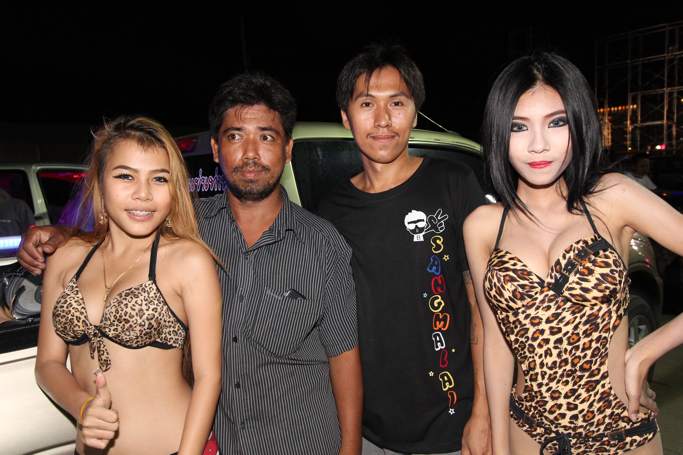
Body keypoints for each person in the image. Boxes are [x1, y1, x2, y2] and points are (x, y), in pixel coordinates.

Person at [22, 73, 362, 455]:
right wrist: (62, 236)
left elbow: (344, 357)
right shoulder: (188, 227)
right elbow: (125, 226)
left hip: (296, 442)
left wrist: (350, 449)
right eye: (235, 137)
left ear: (287, 150)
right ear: (216, 149)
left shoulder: (322, 244)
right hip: (216, 439)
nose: (251, 153)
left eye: (266, 137)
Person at [463, 51, 682, 454]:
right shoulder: (482, 226)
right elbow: (496, 342)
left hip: (621, 432)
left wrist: (645, 352)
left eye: (556, 122)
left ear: (579, 123)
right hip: (529, 434)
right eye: (518, 126)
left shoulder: (613, 198)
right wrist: (499, 445)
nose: (538, 144)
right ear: (498, 133)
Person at [319, 44, 491, 455]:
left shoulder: (452, 183)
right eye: (367, 104)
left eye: (396, 103)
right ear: (346, 117)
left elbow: (483, 306)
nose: (382, 119)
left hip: (452, 428)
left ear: (414, 114)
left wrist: (484, 413)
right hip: (369, 432)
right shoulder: (330, 210)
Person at [34, 116, 222, 454]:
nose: (143, 193)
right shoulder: (66, 258)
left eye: (159, 178)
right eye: (125, 176)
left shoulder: (188, 260)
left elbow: (208, 378)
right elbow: (47, 364)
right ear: (99, 182)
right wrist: (83, 407)